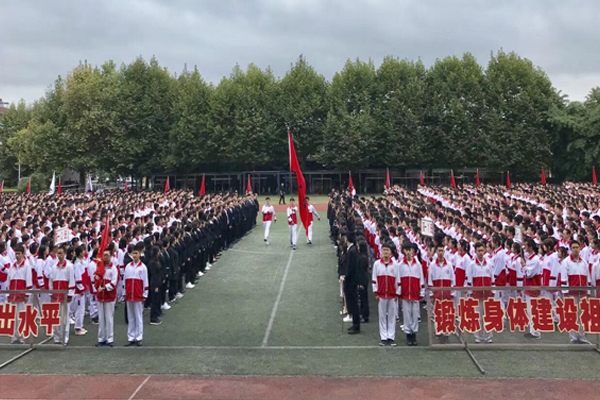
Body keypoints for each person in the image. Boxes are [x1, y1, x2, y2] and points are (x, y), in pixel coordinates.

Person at [560, 240, 591, 344]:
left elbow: (588, 277)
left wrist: (588, 292)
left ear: (580, 248)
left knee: (582, 315)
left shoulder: (584, 262)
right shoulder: (566, 262)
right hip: (571, 293)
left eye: (577, 247)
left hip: (582, 293)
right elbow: (564, 278)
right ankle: (573, 337)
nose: (576, 249)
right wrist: (566, 293)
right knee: (572, 314)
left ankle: (582, 337)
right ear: (570, 249)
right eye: (573, 248)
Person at [372, 242, 400, 346]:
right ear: (381, 251)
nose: (385, 252)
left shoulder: (395, 265)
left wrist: (397, 293)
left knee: (392, 316)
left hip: (392, 295)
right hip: (381, 294)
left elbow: (398, 280)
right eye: (384, 250)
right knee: (382, 316)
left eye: (387, 250)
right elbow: (374, 280)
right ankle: (383, 337)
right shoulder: (377, 264)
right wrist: (376, 292)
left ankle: (391, 337)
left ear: (391, 252)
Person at [399, 240, 425, 346]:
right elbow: (399, 279)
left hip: (415, 293)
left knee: (415, 314)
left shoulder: (417, 265)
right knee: (406, 314)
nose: (409, 252)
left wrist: (421, 292)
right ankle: (408, 334)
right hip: (405, 293)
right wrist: (399, 292)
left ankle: (414, 334)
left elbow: (421, 279)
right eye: (407, 250)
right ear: (403, 251)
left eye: (410, 250)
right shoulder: (400, 265)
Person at [467, 242, 494, 344]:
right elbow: (469, 280)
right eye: (479, 251)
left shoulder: (489, 264)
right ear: (475, 252)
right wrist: (470, 293)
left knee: (488, 316)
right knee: (478, 316)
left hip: (487, 294)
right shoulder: (472, 265)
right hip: (477, 295)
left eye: (482, 250)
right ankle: (478, 337)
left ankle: (488, 336)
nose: (481, 253)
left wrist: (493, 291)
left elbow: (492, 279)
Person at [49, 245, 75, 345]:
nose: (59, 255)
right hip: (56, 296)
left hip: (65, 296)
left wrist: (70, 295)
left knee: (65, 318)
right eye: (57, 253)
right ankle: (57, 337)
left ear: (64, 254)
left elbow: (71, 281)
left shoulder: (69, 266)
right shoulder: (54, 267)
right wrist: (51, 294)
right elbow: (51, 281)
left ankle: (65, 337)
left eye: (61, 253)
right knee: (56, 317)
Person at [124, 244, 149, 346]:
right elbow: (125, 281)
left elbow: (145, 281)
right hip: (130, 295)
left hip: (138, 295)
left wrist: (145, 294)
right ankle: (131, 337)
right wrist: (124, 294)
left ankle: (139, 337)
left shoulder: (143, 268)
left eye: (136, 253)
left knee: (138, 316)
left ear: (140, 254)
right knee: (131, 317)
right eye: (133, 253)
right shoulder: (128, 267)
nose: (134, 255)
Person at [7, 244, 32, 344]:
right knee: (13, 317)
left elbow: (29, 281)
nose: (17, 255)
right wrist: (8, 294)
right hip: (13, 295)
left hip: (22, 296)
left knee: (21, 316)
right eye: (16, 253)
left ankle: (21, 337)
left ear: (23, 254)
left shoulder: (26, 266)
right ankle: (14, 337)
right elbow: (9, 280)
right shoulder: (12, 266)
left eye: (19, 254)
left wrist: (27, 295)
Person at [96, 249, 118, 347]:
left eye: (107, 255)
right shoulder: (100, 268)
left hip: (109, 296)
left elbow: (114, 282)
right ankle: (101, 338)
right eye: (104, 255)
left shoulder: (113, 268)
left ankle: (110, 339)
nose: (105, 257)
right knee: (101, 318)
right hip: (100, 296)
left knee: (109, 318)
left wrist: (104, 288)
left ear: (111, 256)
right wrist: (98, 287)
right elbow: (95, 280)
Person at [343, 232, 361, 334]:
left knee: (353, 303)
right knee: (352, 303)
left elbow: (351, 267)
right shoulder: (352, 250)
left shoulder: (352, 251)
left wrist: (346, 277)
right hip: (352, 280)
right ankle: (355, 323)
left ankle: (356, 325)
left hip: (351, 281)